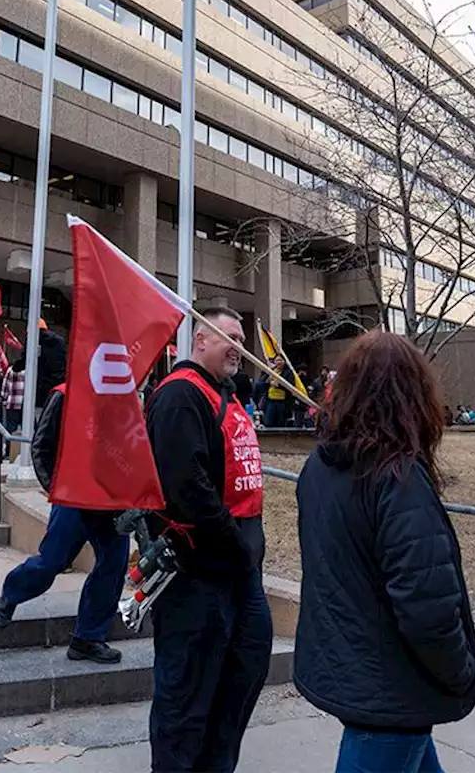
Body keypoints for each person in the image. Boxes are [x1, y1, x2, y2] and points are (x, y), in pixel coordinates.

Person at [295, 330, 475, 772]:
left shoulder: (319, 468)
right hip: (389, 692)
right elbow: (426, 607)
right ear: (413, 395)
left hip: (363, 678)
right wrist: (460, 672)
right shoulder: (397, 481)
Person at [144, 306, 272, 773]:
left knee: (241, 679)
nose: (240, 347)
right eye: (230, 337)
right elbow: (186, 487)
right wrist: (234, 546)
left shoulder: (228, 396)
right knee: (185, 698)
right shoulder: (179, 395)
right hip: (199, 577)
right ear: (201, 339)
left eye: (242, 338)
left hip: (240, 575)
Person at [0, 382, 130, 665]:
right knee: (52, 560)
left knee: (113, 564)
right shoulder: (65, 394)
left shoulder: (125, 396)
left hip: (112, 500)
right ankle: (11, 594)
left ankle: (88, 638)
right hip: (73, 497)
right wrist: (56, 489)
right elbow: (42, 448)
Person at [264, 358, 289, 428]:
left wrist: (278, 385)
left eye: (281, 360)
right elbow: (262, 383)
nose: (279, 362)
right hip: (271, 400)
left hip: (282, 401)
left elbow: (290, 386)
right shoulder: (271, 371)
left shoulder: (287, 372)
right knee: (269, 422)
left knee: (280, 423)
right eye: (277, 360)